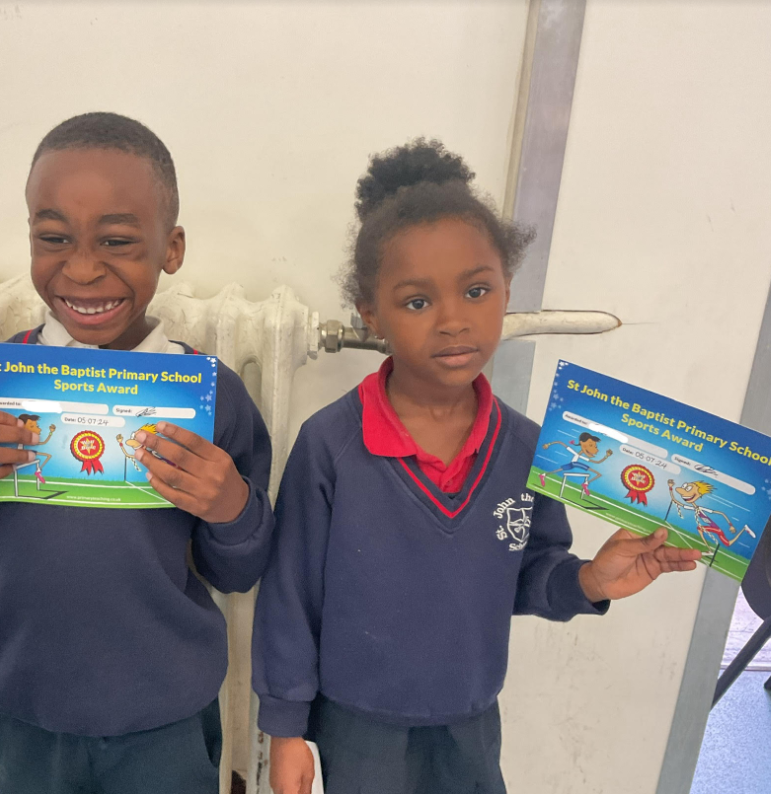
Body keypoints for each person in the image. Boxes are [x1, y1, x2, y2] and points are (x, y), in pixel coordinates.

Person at [252, 139, 701, 794]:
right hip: (357, 727)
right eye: (417, 302)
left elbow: (530, 572)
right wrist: (285, 729)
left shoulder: (526, 447)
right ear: (371, 314)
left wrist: (588, 580)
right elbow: (290, 596)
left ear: (506, 293)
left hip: (471, 721)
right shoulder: (330, 445)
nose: (453, 321)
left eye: (476, 290)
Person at [0, 112, 274, 794]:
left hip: (165, 718)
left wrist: (231, 507)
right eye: (53, 238)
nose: (81, 268)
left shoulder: (212, 397)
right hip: (30, 708)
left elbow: (239, 569)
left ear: (172, 248)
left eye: (117, 240)